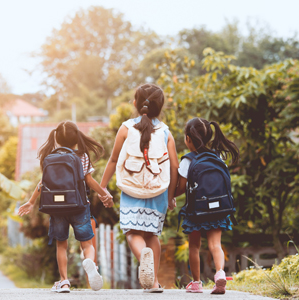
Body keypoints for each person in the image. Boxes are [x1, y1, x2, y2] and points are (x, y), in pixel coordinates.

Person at [99, 84, 179, 292]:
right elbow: (174, 167)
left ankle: (144, 257)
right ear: (160, 107)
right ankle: (153, 283)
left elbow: (113, 159)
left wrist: (102, 188)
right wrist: (170, 197)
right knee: (152, 235)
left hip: (131, 189)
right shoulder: (165, 133)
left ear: (135, 103)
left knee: (132, 232)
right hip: (158, 190)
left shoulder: (126, 128)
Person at [17, 121, 113, 293]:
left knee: (61, 244)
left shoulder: (50, 157)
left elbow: (42, 183)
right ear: (76, 138)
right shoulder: (82, 156)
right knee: (87, 244)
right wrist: (104, 194)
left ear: (57, 139)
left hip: (57, 208)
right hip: (79, 206)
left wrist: (31, 202)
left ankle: (64, 282)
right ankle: (90, 263)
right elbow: (89, 181)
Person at [174, 117, 239, 294]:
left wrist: (171, 195)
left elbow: (180, 189)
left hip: (196, 210)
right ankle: (220, 273)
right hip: (218, 209)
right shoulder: (218, 157)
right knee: (215, 244)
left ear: (188, 138)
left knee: (194, 246)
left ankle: (196, 283)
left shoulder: (187, 160)